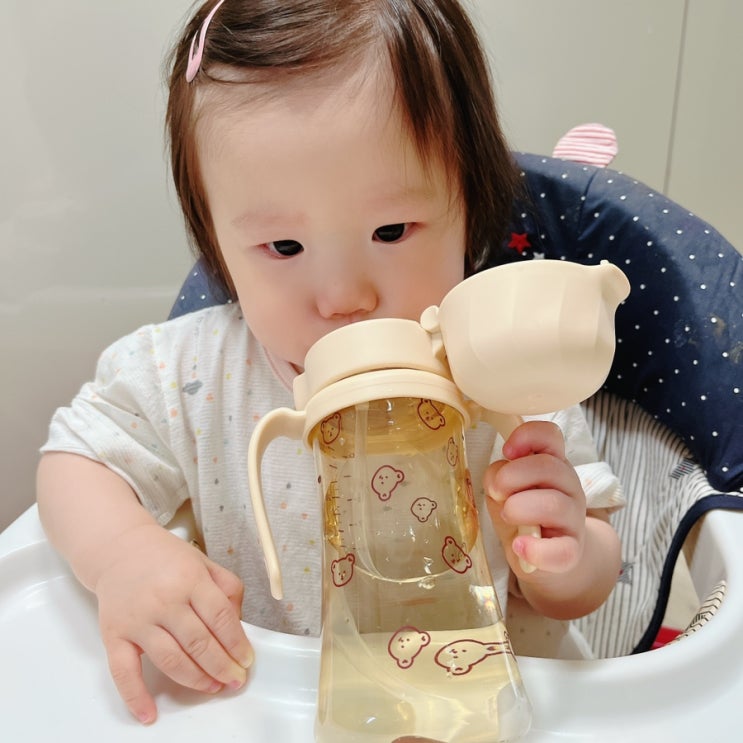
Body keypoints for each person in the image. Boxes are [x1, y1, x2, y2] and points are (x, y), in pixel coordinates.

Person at [36, 0, 624, 726]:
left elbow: (588, 582)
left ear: (469, 210)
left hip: (471, 704)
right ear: (216, 243)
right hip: (266, 706)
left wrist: (563, 553)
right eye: (284, 247)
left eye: (391, 230)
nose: (344, 297)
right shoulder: (187, 374)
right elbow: (75, 458)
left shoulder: (507, 372)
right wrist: (124, 555)